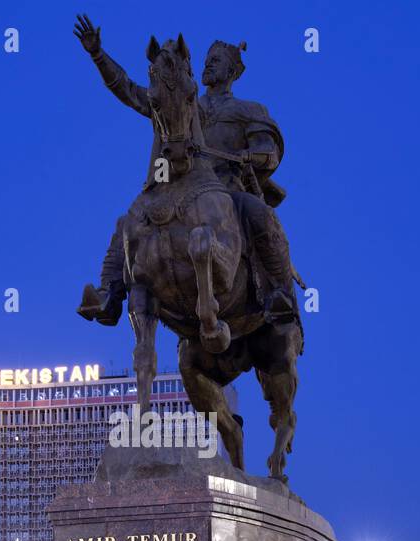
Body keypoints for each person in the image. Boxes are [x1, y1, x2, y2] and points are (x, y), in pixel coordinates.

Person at [72, 15, 298, 326]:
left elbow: (269, 152)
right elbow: (127, 89)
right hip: (178, 187)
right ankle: (110, 293)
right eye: (206, 61)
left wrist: (249, 156)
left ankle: (278, 293)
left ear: (232, 71)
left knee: (261, 215)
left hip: (227, 190)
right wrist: (98, 54)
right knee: (128, 222)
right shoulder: (180, 99)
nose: (208, 66)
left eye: (216, 61)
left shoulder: (248, 110)